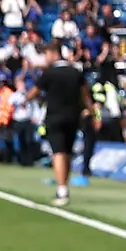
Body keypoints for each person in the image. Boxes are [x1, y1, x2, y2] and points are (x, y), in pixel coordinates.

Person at [34, 37, 93, 207]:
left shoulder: (49, 73)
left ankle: (62, 190)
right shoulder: (75, 71)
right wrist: (90, 110)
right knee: (67, 152)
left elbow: (34, 91)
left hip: (55, 116)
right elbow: (85, 93)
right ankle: (64, 185)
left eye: (47, 54)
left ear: (54, 54)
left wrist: (26, 98)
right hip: (73, 117)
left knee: (58, 152)